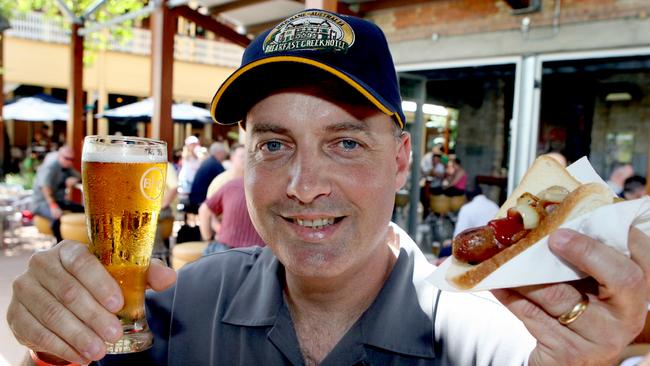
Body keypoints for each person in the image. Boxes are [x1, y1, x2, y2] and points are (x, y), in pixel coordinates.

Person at [8, 9, 650, 366]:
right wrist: (54, 346)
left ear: (401, 162)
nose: (304, 185)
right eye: (273, 144)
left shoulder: (487, 330)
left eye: (345, 143)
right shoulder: (176, 305)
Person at [198, 175, 265, 254]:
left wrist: (208, 240)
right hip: (262, 253)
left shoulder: (232, 184)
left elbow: (204, 210)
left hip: (226, 249)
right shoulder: (274, 189)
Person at [30, 145, 83, 242]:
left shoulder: (67, 167)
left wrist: (75, 180)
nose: (69, 161)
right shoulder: (50, 167)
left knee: (81, 208)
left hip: (58, 201)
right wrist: (53, 206)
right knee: (57, 216)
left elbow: (81, 177)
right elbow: (45, 188)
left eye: (72, 159)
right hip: (42, 202)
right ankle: (58, 245)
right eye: (67, 158)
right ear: (59, 156)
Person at [187, 141, 227, 211]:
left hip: (195, 198)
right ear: (219, 153)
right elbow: (227, 180)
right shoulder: (214, 164)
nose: (225, 156)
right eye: (224, 153)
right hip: (201, 201)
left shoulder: (210, 161)